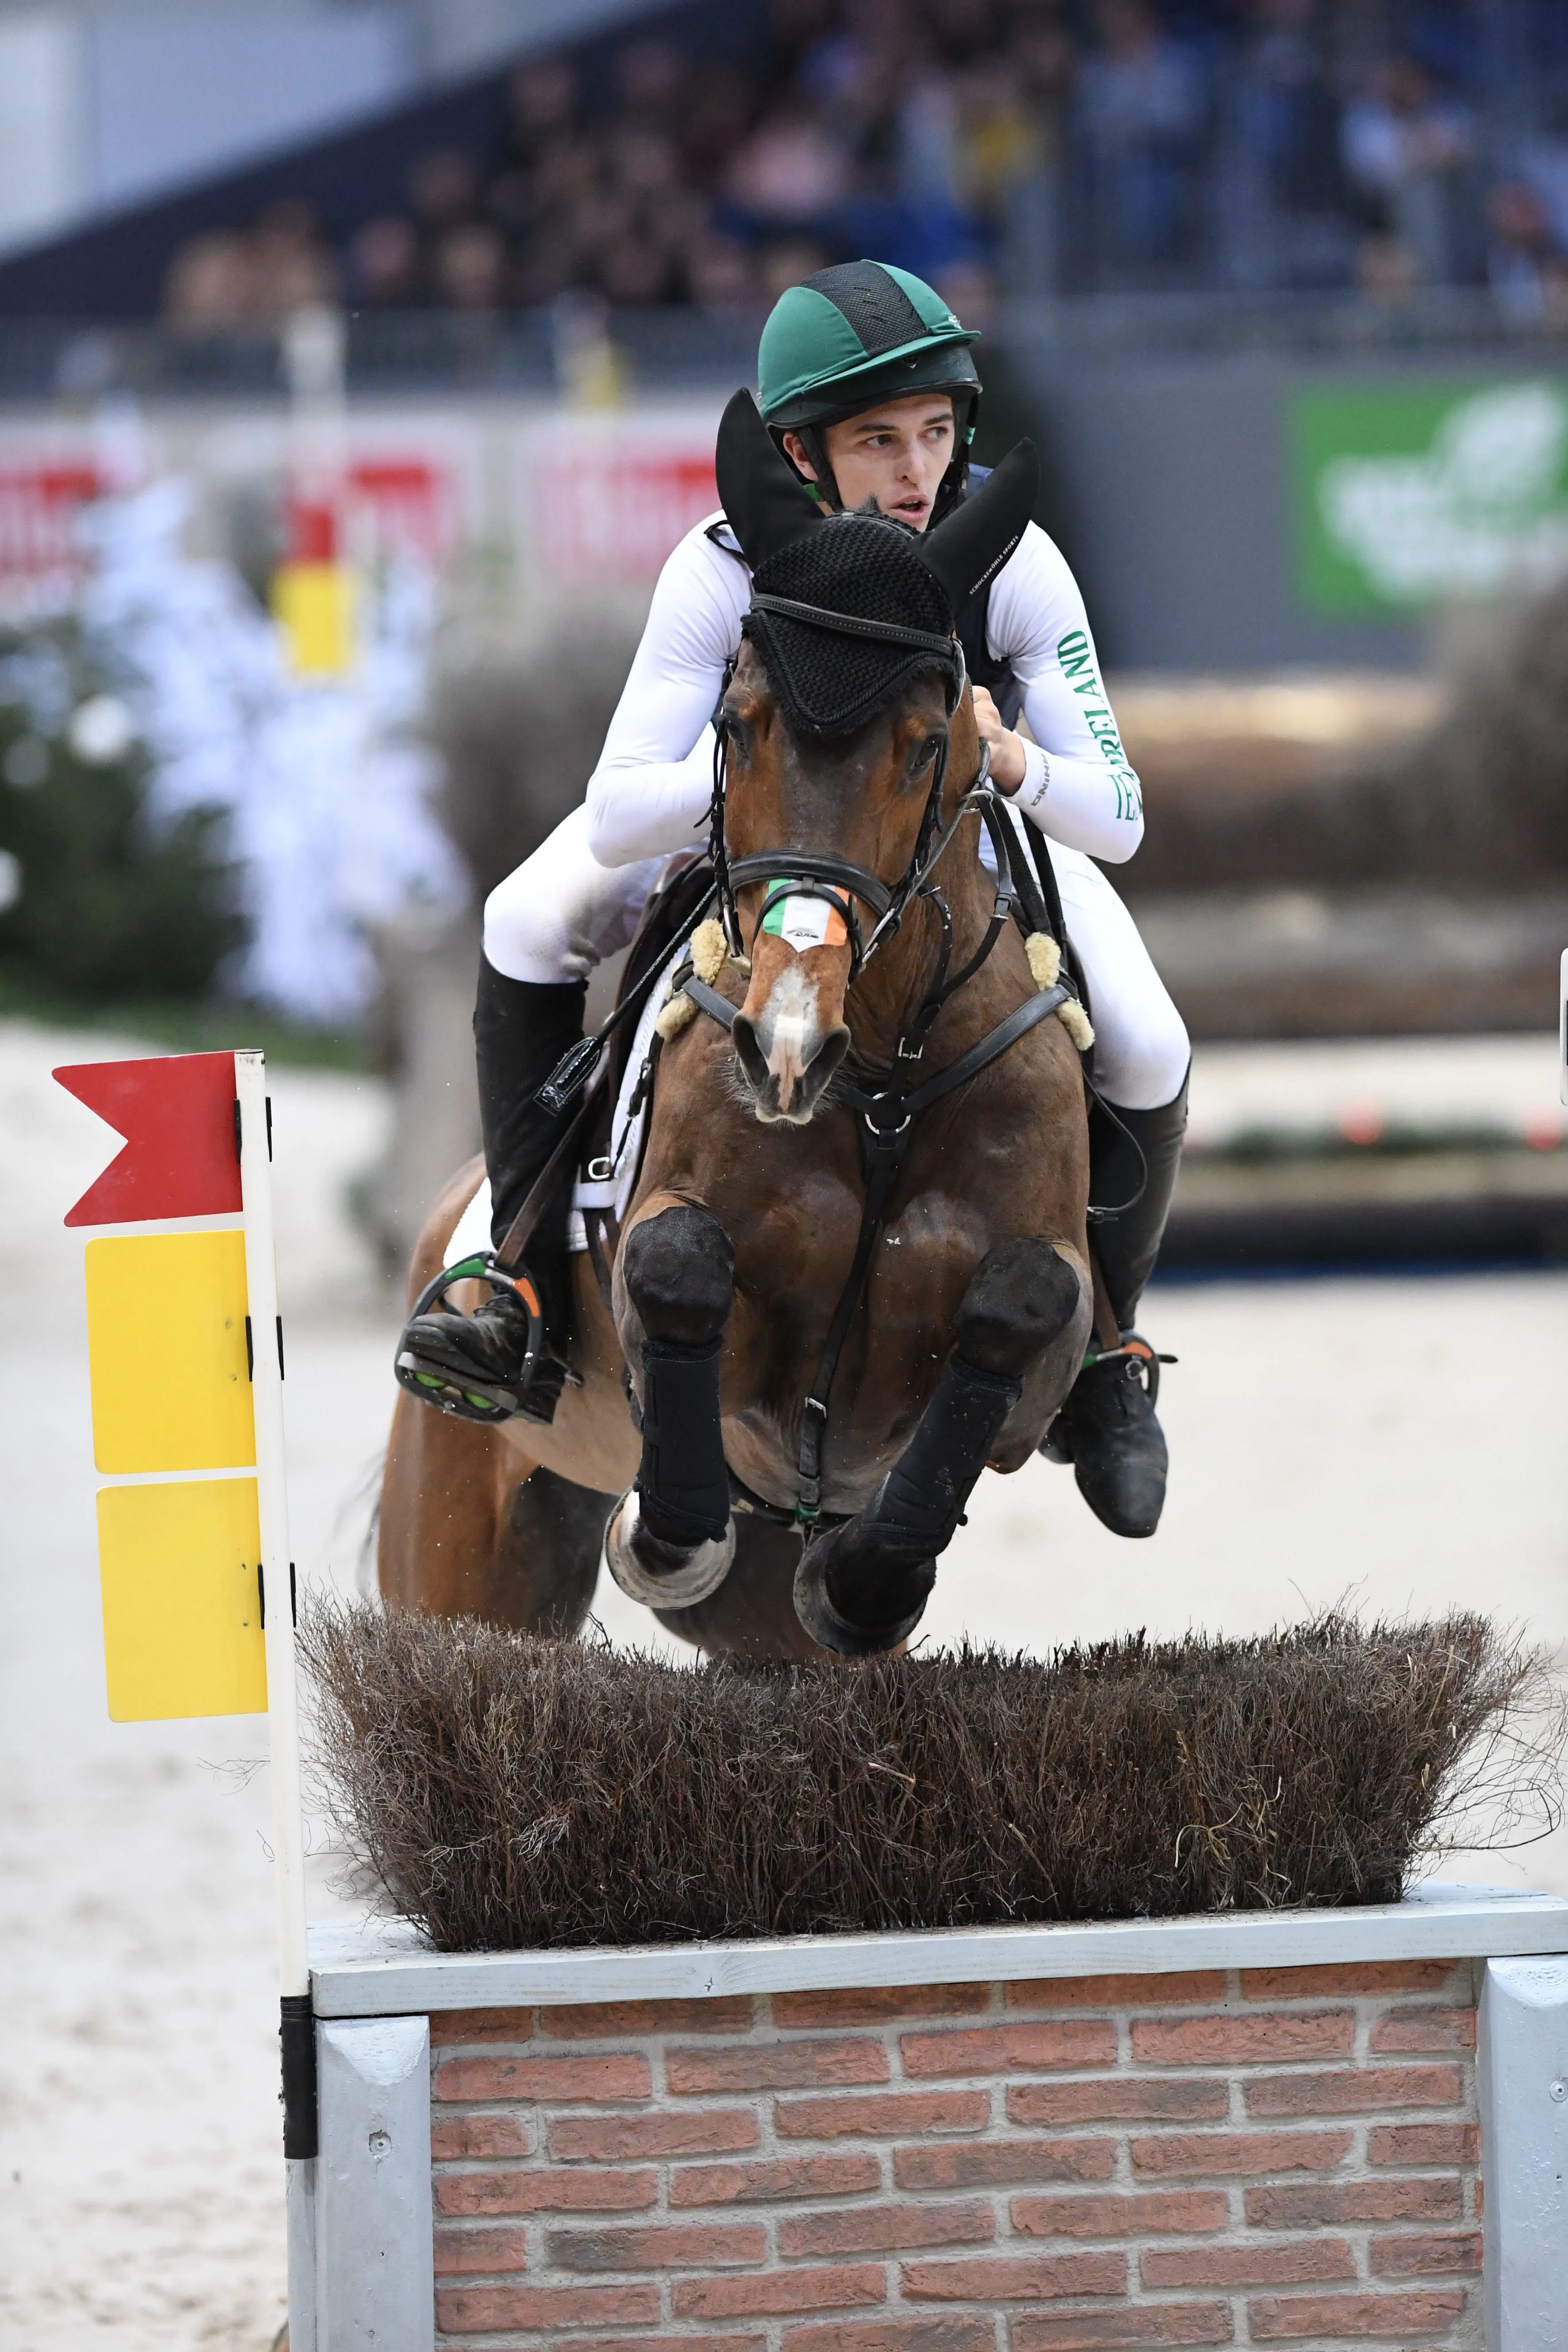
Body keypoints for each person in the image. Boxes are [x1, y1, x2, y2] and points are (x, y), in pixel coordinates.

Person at [398, 260, 1190, 1538]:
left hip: (962, 844)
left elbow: (1122, 812)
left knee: (1148, 1042)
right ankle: (518, 1279)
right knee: (522, 922)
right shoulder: (720, 565)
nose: (918, 470)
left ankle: (1107, 1354)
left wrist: (1008, 764)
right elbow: (620, 806)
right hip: (754, 837)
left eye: (935, 431)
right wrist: (783, 786)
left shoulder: (1016, 563)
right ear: (800, 455)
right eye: (878, 440)